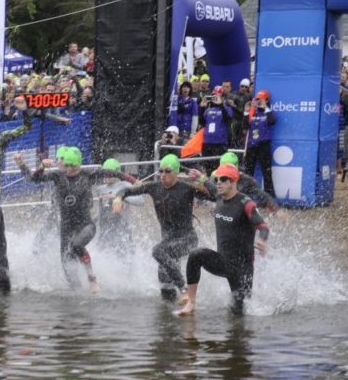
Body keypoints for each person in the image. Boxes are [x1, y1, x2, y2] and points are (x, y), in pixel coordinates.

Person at [15, 146, 131, 292]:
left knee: (77, 245)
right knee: (68, 268)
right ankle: (75, 300)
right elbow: (33, 178)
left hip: (86, 225)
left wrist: (134, 181)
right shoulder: (58, 175)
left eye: (72, 166)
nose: (69, 169)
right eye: (67, 165)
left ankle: (92, 280)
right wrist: (28, 165)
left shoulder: (87, 174)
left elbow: (113, 172)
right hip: (66, 227)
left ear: (78, 165)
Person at [113, 154, 215, 301]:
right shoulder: (154, 188)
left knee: (158, 251)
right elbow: (127, 191)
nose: (163, 175)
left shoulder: (187, 189)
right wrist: (118, 198)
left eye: (167, 171)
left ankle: (184, 289)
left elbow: (215, 196)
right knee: (164, 283)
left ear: (176, 173)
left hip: (187, 239)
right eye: (161, 171)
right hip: (168, 242)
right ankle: (174, 314)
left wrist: (204, 179)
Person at [177, 163, 270, 316]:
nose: (218, 182)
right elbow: (209, 184)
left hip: (242, 269)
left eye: (223, 179)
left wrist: (262, 240)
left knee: (239, 313)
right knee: (195, 255)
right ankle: (191, 302)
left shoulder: (246, 203)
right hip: (223, 262)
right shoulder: (219, 197)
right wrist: (200, 177)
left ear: (233, 182)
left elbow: (263, 226)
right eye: (217, 179)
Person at [243, 90, 277, 198]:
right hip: (251, 145)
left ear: (267, 100)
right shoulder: (253, 111)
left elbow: (272, 121)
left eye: (261, 99)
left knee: (266, 172)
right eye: (257, 99)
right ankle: (246, 197)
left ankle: (269, 198)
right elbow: (244, 127)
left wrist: (266, 107)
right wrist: (246, 112)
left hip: (263, 145)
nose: (258, 102)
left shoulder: (268, 112)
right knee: (248, 172)